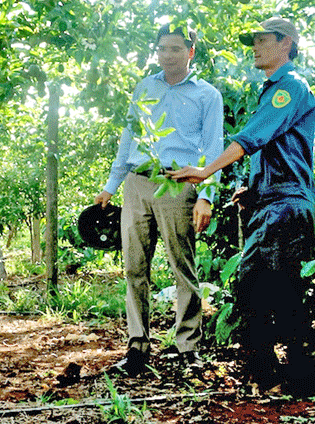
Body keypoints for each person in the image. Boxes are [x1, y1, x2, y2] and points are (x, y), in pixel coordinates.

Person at [168, 17, 315, 396]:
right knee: (273, 288)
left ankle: (281, 377)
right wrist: (251, 188)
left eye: (261, 40)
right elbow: (274, 150)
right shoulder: (273, 91)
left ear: (285, 44)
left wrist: (205, 171)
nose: (254, 47)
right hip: (273, 202)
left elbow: (251, 139)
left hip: (285, 205)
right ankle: (281, 377)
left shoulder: (289, 88)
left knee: (261, 286)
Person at [95, 23, 224, 377]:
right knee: (135, 267)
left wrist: (206, 197)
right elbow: (128, 138)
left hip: (178, 184)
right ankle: (137, 347)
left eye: (176, 49)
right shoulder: (144, 87)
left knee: (182, 266)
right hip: (138, 183)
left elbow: (213, 149)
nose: (168, 55)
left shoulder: (207, 95)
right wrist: (110, 186)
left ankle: (188, 348)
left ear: (190, 52)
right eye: (162, 48)